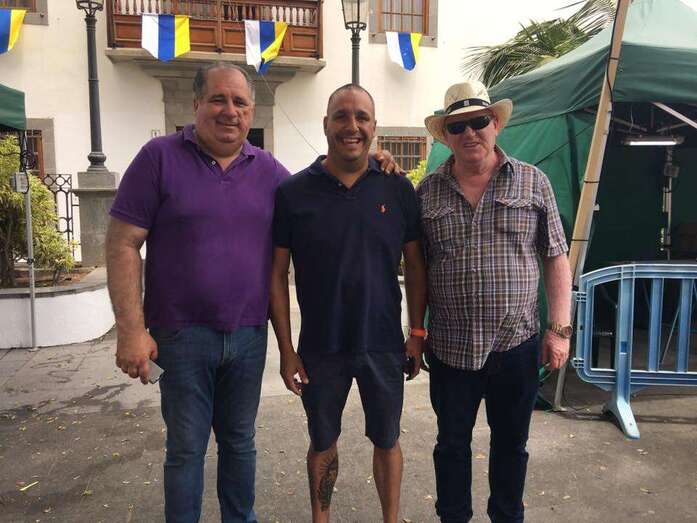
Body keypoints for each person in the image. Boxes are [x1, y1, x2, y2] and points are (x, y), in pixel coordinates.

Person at [105, 63, 398, 523]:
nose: (230, 111)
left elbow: (323, 184)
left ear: (251, 112)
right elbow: (123, 243)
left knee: (240, 443)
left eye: (240, 102)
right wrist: (130, 331)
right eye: (218, 100)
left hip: (246, 336)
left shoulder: (269, 172)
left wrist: (377, 164)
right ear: (196, 104)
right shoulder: (158, 158)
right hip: (178, 338)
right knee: (186, 448)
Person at [268, 84, 427, 523]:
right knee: (322, 441)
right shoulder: (293, 193)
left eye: (362, 117)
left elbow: (416, 265)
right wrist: (286, 350)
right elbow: (276, 274)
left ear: (375, 127)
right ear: (325, 124)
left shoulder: (397, 188)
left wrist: (416, 332)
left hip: (383, 343)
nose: (351, 126)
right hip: (320, 347)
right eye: (341, 116)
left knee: (387, 438)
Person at [417, 80, 572, 523]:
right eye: (458, 126)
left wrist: (559, 330)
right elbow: (418, 269)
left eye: (479, 121)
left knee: (511, 447)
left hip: (515, 346)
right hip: (451, 349)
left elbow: (556, 258)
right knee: (451, 447)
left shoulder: (533, 182)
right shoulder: (426, 192)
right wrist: (416, 330)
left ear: (496, 124)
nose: (470, 133)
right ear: (447, 136)